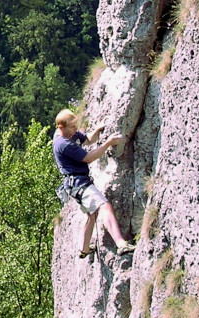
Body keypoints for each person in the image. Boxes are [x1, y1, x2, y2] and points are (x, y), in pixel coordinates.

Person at [53, 108, 136, 258]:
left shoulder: (70, 133)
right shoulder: (62, 144)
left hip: (76, 185)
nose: (75, 129)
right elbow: (88, 157)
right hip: (79, 184)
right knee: (104, 206)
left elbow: (88, 140)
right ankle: (121, 244)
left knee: (92, 214)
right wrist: (108, 143)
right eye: (72, 126)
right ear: (61, 127)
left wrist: (97, 130)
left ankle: (85, 249)